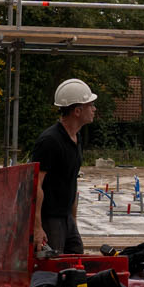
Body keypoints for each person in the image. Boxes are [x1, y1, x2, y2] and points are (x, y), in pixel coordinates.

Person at [30, 78, 96, 257]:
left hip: (66, 217)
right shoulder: (50, 141)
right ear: (77, 111)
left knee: (76, 259)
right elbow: (36, 185)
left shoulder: (76, 138)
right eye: (90, 105)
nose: (94, 109)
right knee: (54, 269)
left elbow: (71, 181)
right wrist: (37, 227)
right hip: (50, 219)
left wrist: (73, 221)